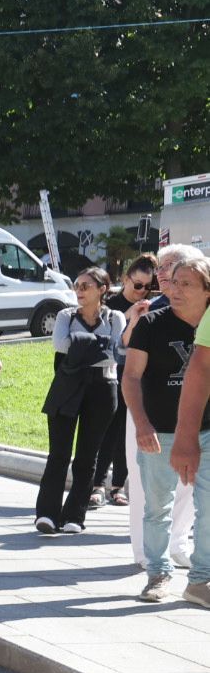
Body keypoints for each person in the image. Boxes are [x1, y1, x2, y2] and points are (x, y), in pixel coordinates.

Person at [124, 257, 210, 602]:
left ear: (207, 291)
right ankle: (158, 573)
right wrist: (142, 424)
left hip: (207, 429)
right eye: (172, 282)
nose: (174, 290)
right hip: (159, 431)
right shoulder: (151, 324)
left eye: (186, 284)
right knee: (158, 507)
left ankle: (200, 580)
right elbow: (130, 377)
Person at [35, 267, 126, 534]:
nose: (79, 291)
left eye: (86, 286)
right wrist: (100, 344)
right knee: (59, 454)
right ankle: (47, 514)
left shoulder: (115, 316)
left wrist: (81, 345)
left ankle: (75, 515)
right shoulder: (65, 314)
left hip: (102, 388)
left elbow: (117, 353)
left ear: (102, 289)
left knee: (87, 456)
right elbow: (59, 345)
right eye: (77, 285)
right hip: (68, 386)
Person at [93, 255, 157, 507]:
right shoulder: (110, 304)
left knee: (126, 430)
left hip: (136, 376)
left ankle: (118, 485)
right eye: (138, 284)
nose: (142, 291)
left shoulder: (152, 306)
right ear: (126, 278)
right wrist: (128, 315)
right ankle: (97, 483)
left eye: (147, 287)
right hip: (111, 374)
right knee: (106, 428)